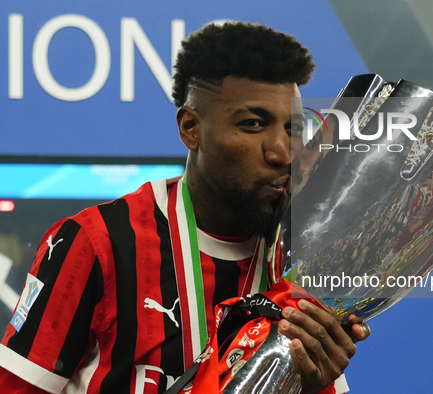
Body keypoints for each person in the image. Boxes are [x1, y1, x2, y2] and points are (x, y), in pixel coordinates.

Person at [0, 22, 370, 394]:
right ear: (191, 128)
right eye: (254, 124)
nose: (282, 153)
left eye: (293, 128)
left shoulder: (299, 261)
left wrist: (309, 386)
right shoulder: (97, 243)